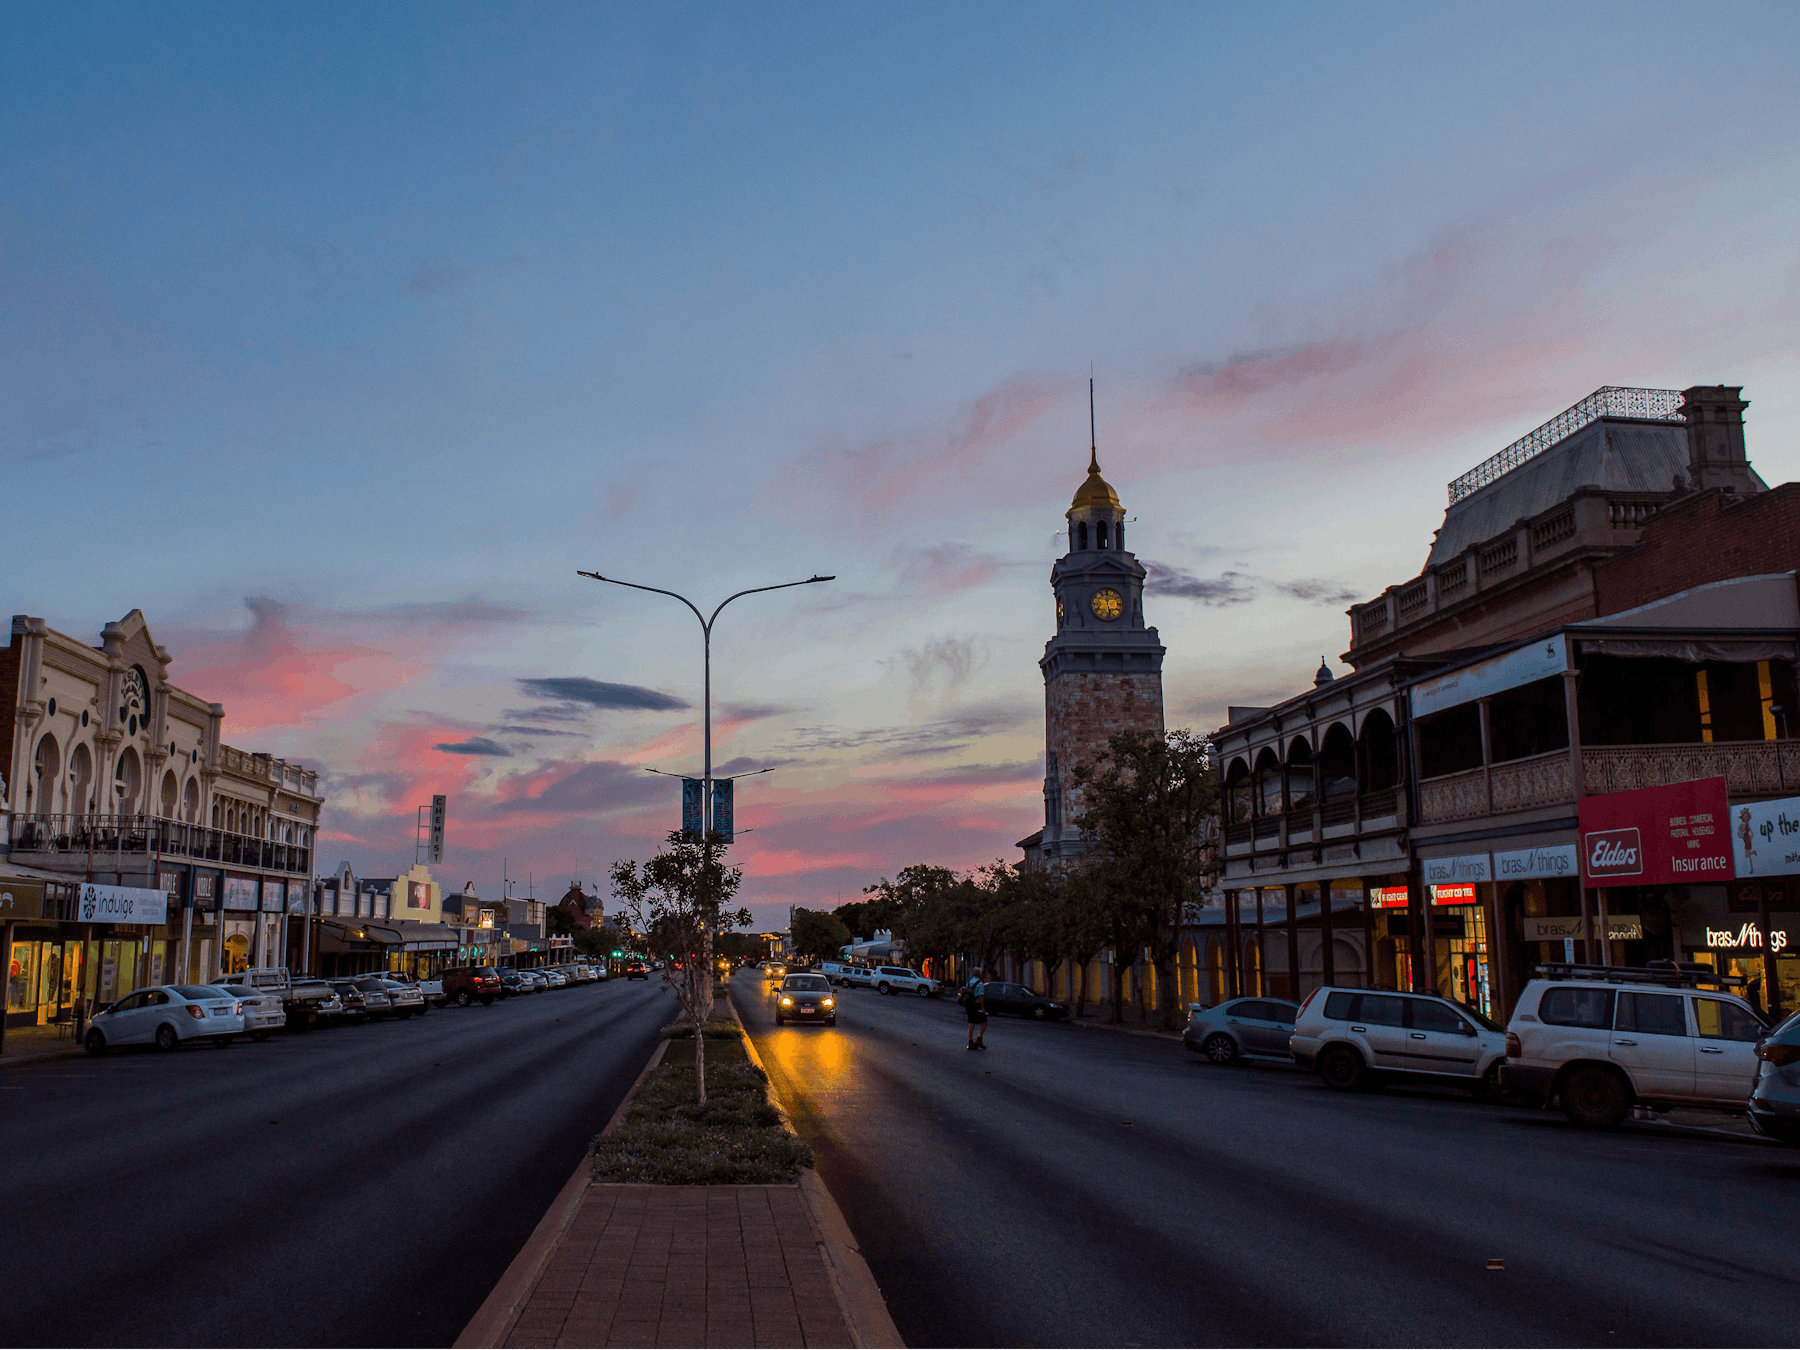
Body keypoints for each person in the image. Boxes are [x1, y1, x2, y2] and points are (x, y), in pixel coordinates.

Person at [965, 968, 989, 1049]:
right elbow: (981, 997)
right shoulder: (980, 983)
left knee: (971, 1023)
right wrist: (983, 1009)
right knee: (984, 1021)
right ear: (979, 974)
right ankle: (979, 1038)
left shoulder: (969, 982)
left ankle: (970, 1041)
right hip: (975, 1005)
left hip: (968, 1005)